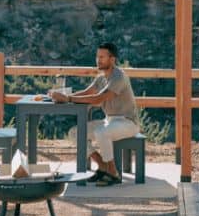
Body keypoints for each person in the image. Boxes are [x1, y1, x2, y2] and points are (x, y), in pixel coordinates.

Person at [49, 42, 139, 186]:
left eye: (102, 57)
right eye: (97, 56)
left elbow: (98, 98)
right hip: (109, 120)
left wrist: (69, 98)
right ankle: (103, 166)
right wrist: (63, 96)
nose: (98, 60)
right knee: (75, 133)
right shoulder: (101, 77)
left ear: (112, 59)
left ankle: (114, 173)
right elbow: (86, 93)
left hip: (127, 122)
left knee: (100, 132)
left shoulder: (119, 77)